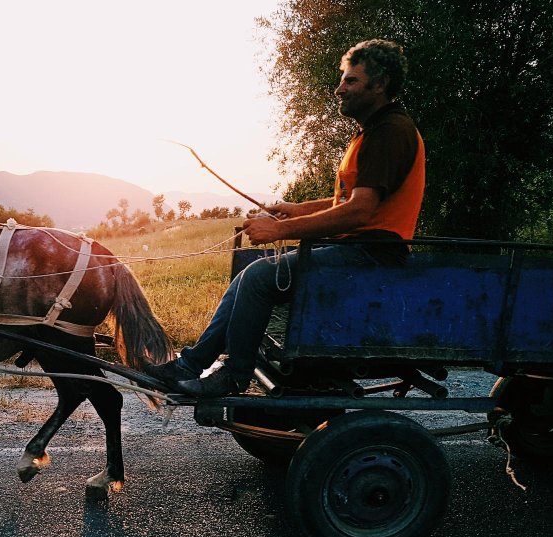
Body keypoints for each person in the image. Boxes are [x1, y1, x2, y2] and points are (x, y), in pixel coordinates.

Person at [148, 38, 425, 397]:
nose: (339, 89)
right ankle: (188, 365)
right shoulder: (374, 132)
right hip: (358, 251)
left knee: (262, 276)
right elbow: (351, 198)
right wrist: (300, 209)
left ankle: (234, 374)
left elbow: (362, 210)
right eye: (343, 79)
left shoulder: (390, 132)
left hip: (371, 257)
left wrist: (280, 229)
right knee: (252, 274)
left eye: (351, 81)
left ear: (381, 83)